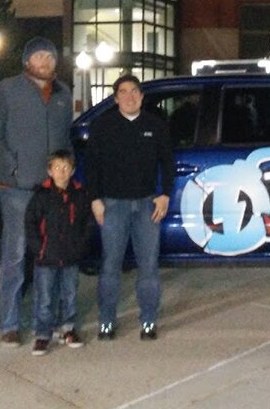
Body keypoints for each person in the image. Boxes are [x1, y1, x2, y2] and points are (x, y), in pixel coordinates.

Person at [0, 37, 73, 347]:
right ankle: (9, 323)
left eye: (50, 55)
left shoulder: (63, 94)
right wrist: (12, 167)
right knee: (15, 256)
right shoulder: (7, 89)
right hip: (18, 190)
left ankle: (47, 321)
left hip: (51, 192)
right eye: (39, 56)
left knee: (49, 257)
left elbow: (66, 140)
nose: (45, 61)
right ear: (27, 61)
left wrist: (66, 169)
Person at [85, 74, 174, 341]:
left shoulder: (155, 126)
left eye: (135, 91)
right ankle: (106, 322)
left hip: (147, 205)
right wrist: (95, 199)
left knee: (148, 265)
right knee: (110, 265)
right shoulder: (103, 126)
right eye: (123, 92)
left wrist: (165, 194)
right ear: (115, 98)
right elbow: (92, 166)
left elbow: (168, 163)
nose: (130, 96)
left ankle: (148, 320)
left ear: (142, 96)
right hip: (112, 205)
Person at [25, 150, 92, 356]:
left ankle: (68, 328)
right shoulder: (41, 195)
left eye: (66, 168)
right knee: (45, 297)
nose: (61, 173)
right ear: (49, 171)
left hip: (70, 256)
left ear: (72, 170)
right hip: (47, 256)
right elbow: (31, 223)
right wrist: (39, 248)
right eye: (57, 168)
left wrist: (81, 246)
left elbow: (87, 223)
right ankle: (43, 334)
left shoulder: (80, 194)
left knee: (69, 294)